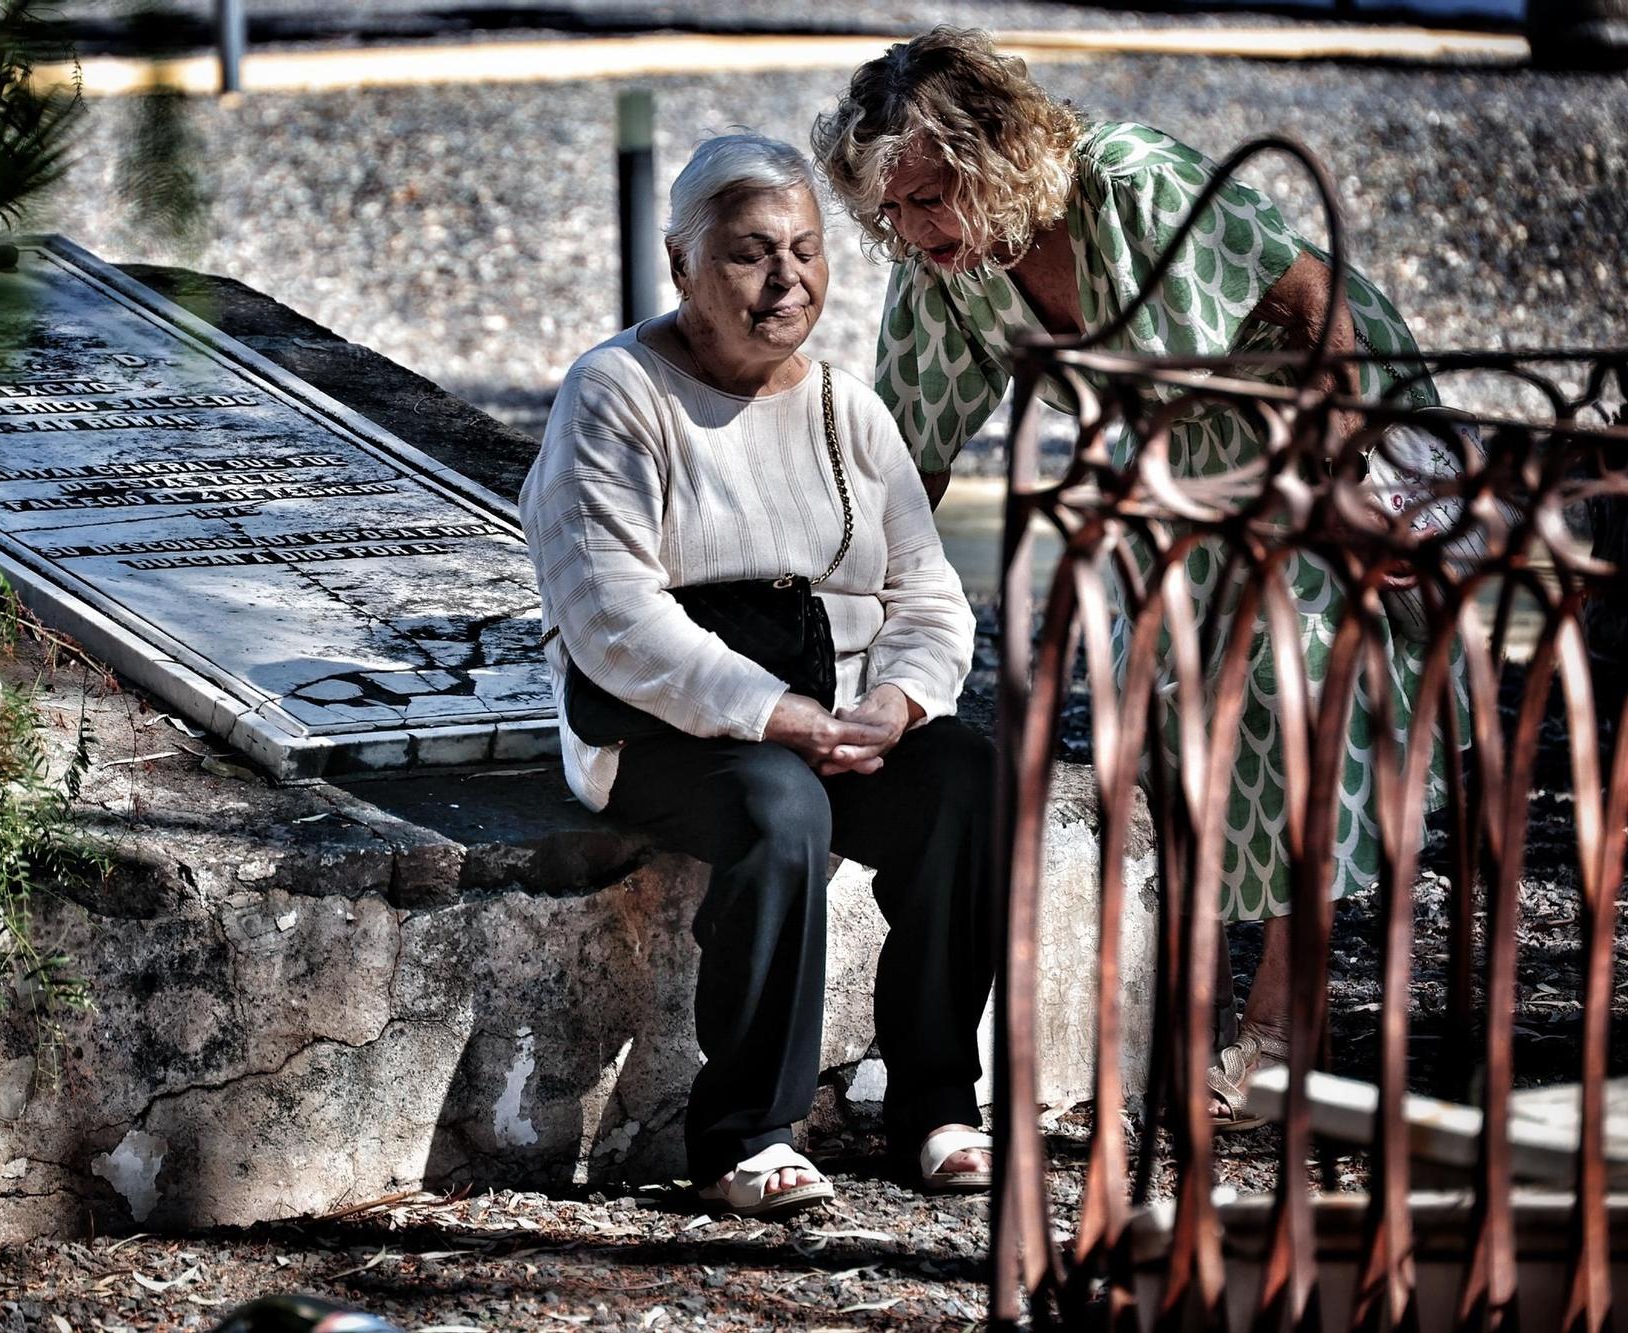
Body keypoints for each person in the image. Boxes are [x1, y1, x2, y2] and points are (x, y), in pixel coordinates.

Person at [812, 27, 1458, 1130]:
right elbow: (905, 461)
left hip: (1317, 412)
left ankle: (1274, 1033)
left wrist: (1337, 486)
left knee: (1296, 690)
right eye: (893, 212)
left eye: (930, 199)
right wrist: (848, 629)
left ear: (993, 154)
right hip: (1173, 466)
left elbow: (1314, 308)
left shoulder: (1127, 182)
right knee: (1161, 710)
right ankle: (1181, 1015)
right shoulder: (948, 269)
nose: (914, 233)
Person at [519, 133, 997, 1217]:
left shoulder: (847, 409)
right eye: (747, 255)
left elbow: (926, 597)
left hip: (827, 712)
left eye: (806, 250)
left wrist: (897, 701)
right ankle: (747, 1130)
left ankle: (934, 1105)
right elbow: (611, 615)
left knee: (967, 776)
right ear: (681, 265)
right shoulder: (614, 394)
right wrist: (770, 714)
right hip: (662, 731)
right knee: (782, 808)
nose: (786, 281)